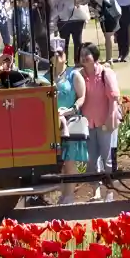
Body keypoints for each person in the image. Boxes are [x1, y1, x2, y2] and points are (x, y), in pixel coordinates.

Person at [78, 43, 120, 202]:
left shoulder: (105, 73)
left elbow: (113, 98)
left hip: (105, 123)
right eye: (81, 55)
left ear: (94, 56)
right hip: (88, 124)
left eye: (87, 54)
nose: (83, 58)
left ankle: (109, 192)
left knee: (107, 159)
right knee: (91, 160)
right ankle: (96, 192)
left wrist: (110, 118)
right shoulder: (79, 76)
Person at [52, 41, 88, 204]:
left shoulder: (73, 75)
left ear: (66, 56)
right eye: (54, 54)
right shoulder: (46, 77)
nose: (57, 56)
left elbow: (82, 97)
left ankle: (69, 195)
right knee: (59, 160)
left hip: (70, 120)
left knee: (70, 159)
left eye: (60, 53)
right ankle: (63, 194)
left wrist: (69, 110)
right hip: (53, 122)